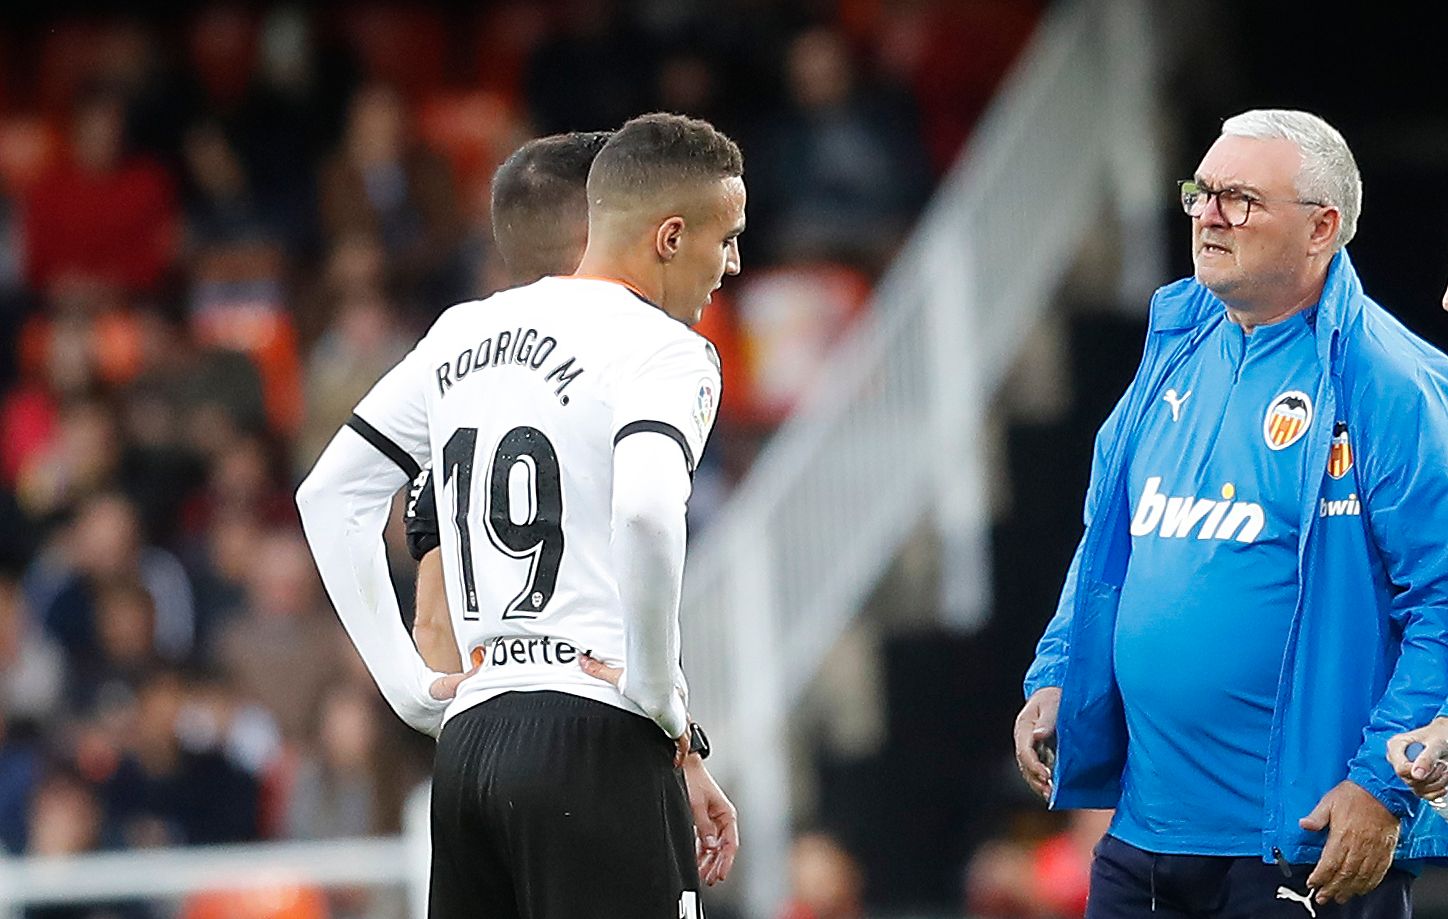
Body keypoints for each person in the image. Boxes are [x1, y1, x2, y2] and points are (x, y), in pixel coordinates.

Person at [295, 112, 744, 918]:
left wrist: (405, 687)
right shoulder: (665, 348)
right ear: (667, 236)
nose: (732, 262)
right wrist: (657, 699)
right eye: (727, 238)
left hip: (469, 747)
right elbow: (645, 512)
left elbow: (329, 494)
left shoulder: (458, 333)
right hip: (596, 739)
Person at [1012, 109, 1448, 917]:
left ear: (1322, 228)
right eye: (1201, 192)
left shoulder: (1387, 383)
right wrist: (1058, 671)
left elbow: (1444, 603)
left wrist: (1382, 789)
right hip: (1143, 840)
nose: (1208, 215)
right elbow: (1110, 540)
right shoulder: (1173, 344)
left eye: (1240, 199)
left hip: (1304, 845)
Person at [404, 129, 612, 675]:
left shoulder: (449, 370)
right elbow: (647, 519)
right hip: (592, 696)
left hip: (486, 708)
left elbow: (431, 622)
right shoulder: (630, 364)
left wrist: (426, 701)